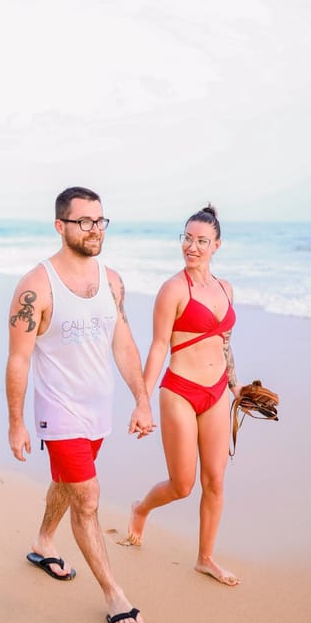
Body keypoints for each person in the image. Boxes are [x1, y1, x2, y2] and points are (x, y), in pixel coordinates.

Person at [6, 186, 154, 623]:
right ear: (61, 226)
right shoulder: (36, 286)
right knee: (87, 498)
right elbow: (19, 359)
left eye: (99, 220)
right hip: (59, 410)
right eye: (84, 221)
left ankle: (43, 541)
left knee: (66, 484)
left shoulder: (111, 281)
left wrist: (142, 398)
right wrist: (16, 423)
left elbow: (123, 342)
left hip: (98, 410)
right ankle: (115, 596)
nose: (94, 229)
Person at [122, 204, 242, 586]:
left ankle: (205, 558)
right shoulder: (173, 289)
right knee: (182, 485)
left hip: (217, 392)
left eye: (201, 241)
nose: (192, 247)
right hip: (180, 391)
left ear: (217, 245)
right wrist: (142, 401)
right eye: (187, 238)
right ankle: (141, 509)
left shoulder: (226, 288)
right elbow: (159, 346)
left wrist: (235, 384)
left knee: (216, 481)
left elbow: (224, 342)